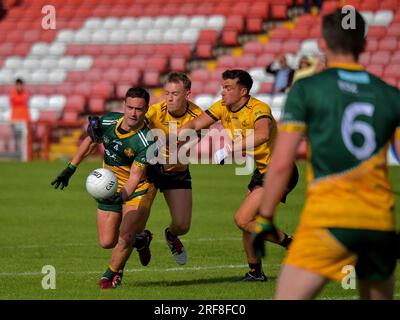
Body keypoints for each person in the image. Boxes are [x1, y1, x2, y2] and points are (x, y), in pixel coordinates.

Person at [252, 9, 400, 299]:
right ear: (365, 44)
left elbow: (281, 163)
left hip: (328, 221)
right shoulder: (390, 95)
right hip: (378, 223)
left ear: (323, 44)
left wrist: (265, 219)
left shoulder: (307, 89)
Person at [179, 69, 298, 281]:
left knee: (242, 219)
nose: (222, 92)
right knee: (247, 222)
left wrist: (228, 149)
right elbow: (196, 123)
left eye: (228, 88)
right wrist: (176, 136)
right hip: (263, 170)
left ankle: (294, 245)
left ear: (243, 91)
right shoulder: (222, 107)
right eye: (222, 87)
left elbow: (262, 135)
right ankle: (255, 273)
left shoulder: (259, 108)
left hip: (281, 169)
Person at [51, 87, 157, 289]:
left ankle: (111, 275)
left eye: (139, 109)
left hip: (139, 189)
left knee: (125, 235)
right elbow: (91, 140)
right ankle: (141, 239)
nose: (133, 113)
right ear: (124, 106)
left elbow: (136, 176)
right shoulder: (108, 121)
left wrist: (123, 196)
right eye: (130, 107)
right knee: (107, 242)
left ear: (146, 110)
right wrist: (70, 168)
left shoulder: (147, 141)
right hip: (109, 186)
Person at [145, 72, 204, 265]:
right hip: (149, 172)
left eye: (175, 93)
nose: (169, 98)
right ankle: (140, 239)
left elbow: (189, 144)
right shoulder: (154, 111)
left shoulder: (198, 116)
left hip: (176, 171)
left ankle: (171, 235)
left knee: (182, 225)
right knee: (134, 223)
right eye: (166, 93)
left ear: (187, 94)